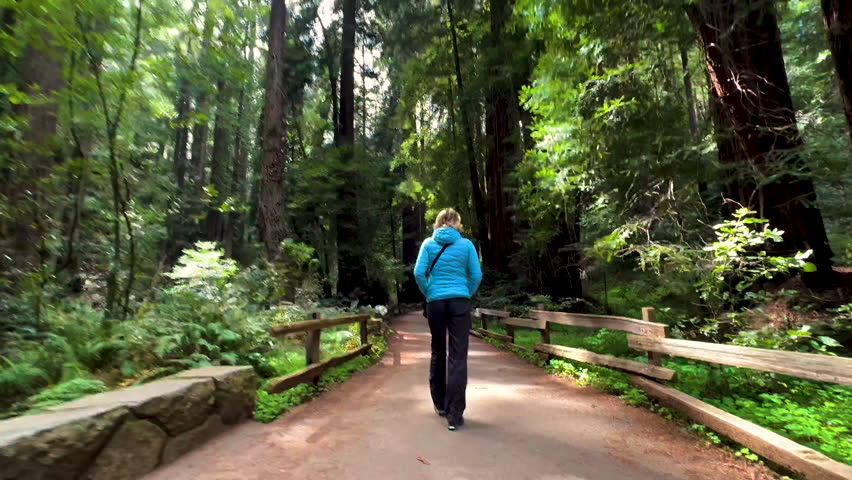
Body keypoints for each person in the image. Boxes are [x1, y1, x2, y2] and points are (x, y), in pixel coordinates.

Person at [414, 208, 482, 431]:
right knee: (457, 357)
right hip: (459, 303)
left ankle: (440, 404)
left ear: (438, 222)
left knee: (437, 351)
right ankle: (454, 415)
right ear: (457, 223)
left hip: (436, 303)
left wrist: (430, 293)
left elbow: (418, 273)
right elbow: (477, 275)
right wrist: (465, 292)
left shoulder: (428, 244)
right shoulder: (467, 245)